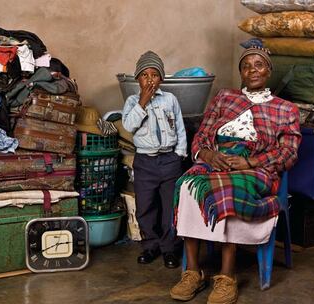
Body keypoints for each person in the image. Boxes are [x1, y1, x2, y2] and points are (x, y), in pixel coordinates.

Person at [169, 47, 301, 303]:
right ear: (240, 71)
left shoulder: (286, 110)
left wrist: (249, 162)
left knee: (230, 190)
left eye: (259, 65)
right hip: (218, 157)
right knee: (186, 184)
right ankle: (193, 272)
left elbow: (289, 153)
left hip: (256, 166)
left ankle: (226, 276)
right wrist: (208, 156)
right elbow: (203, 135)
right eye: (246, 66)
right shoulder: (225, 97)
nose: (252, 70)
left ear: (269, 70)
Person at [122, 50, 187, 269]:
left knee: (170, 207)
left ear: (162, 78)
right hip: (145, 163)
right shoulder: (132, 101)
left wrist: (179, 154)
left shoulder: (170, 99)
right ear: (137, 78)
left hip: (169, 161)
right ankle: (150, 246)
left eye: (154, 75)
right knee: (145, 206)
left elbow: (179, 127)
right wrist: (143, 101)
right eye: (145, 75)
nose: (150, 79)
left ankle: (170, 248)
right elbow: (129, 126)